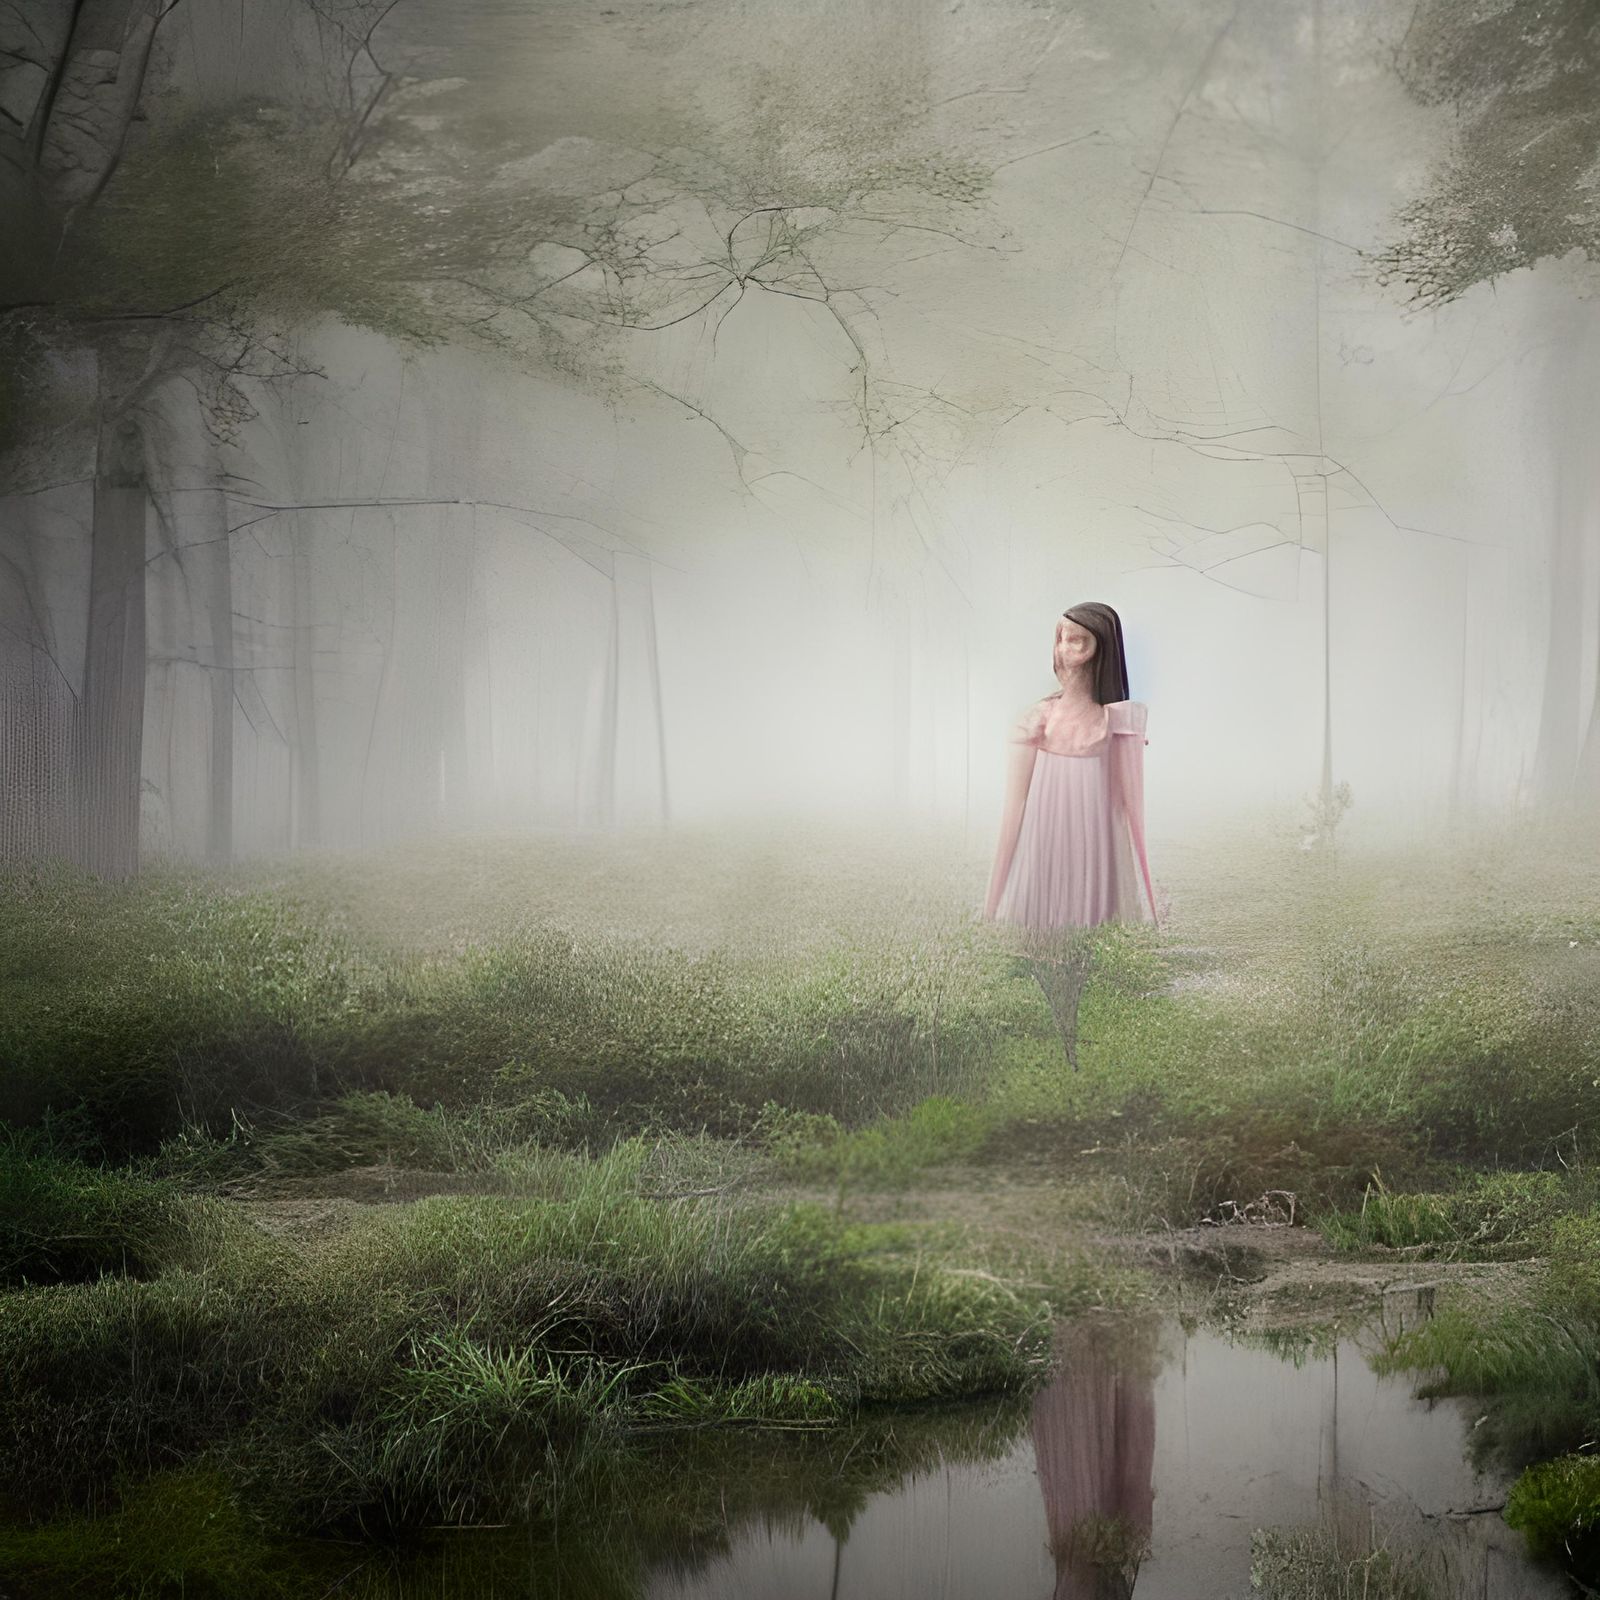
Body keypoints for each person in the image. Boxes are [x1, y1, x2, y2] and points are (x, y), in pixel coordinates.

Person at [982, 602, 1161, 1069]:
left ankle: (1083, 1046)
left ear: (1103, 648)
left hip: (1096, 846)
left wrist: (1146, 895)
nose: (1066, 648)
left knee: (1090, 957)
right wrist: (994, 896)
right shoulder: (1037, 719)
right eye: (1062, 637)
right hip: (1046, 846)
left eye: (1078, 639)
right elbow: (1014, 805)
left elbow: (1131, 810)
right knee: (1045, 955)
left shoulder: (1117, 720)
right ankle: (1058, 1043)